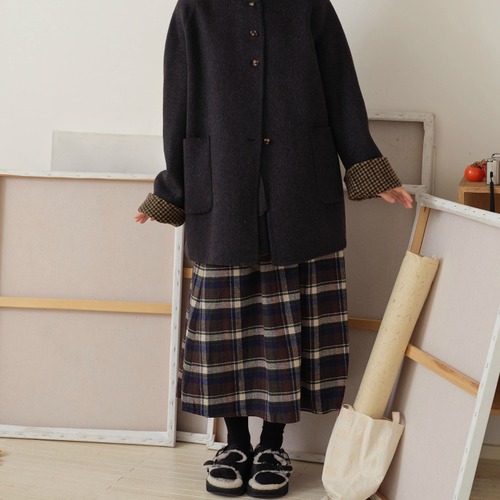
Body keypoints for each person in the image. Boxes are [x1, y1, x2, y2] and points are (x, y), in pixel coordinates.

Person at [135, 0, 413, 497]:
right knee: (225, 332)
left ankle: (273, 446)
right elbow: (176, 102)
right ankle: (235, 443)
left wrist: (365, 165)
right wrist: (173, 189)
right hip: (222, 187)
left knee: (290, 327)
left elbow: (341, 87)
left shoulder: (309, 5)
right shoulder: (195, 8)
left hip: (298, 186)